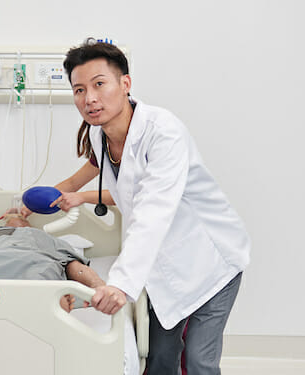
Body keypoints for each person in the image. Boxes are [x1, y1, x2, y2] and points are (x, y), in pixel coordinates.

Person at [47, 41, 251, 375]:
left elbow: (154, 209)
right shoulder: (101, 137)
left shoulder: (163, 133)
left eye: (100, 84)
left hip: (210, 260)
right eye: (79, 89)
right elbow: (86, 184)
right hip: (163, 264)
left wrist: (121, 284)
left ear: (125, 84)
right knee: (159, 361)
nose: (90, 98)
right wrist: (25, 206)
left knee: (199, 361)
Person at [0, 211, 139, 375]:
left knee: (38, 284)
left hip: (34, 269)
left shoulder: (43, 238)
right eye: (11, 217)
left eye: (21, 218)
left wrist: (99, 287)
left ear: (29, 225)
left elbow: (73, 265)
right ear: (3, 221)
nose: (16, 218)